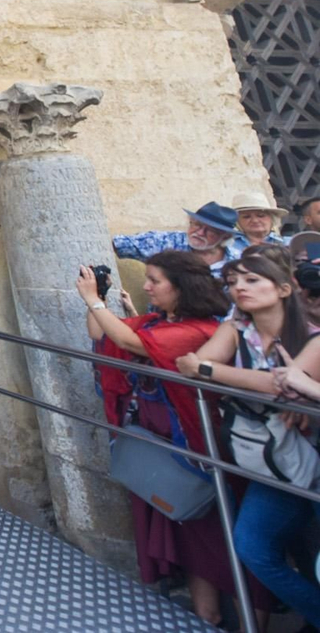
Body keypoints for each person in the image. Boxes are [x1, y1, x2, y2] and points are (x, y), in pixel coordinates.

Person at [83, 251, 245, 625]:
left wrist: (93, 300)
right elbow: (104, 334)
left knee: (215, 539)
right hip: (162, 445)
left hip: (193, 449)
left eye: (155, 280)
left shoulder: (197, 329)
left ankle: (240, 617)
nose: (146, 287)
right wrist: (100, 299)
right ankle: (208, 615)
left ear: (182, 286)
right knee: (189, 537)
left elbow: (130, 341)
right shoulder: (159, 320)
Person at [178, 248, 320, 626]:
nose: (239, 287)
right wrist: (209, 368)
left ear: (285, 288)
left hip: (310, 456)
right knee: (252, 547)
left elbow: (280, 386)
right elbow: (188, 367)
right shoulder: (236, 328)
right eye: (232, 281)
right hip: (270, 457)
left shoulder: (314, 337)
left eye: (251, 279)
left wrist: (210, 370)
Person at [113, 201, 241, 279]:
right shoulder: (166, 242)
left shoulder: (237, 261)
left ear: (225, 236)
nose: (200, 233)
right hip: (168, 321)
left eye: (210, 230)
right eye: (196, 224)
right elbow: (114, 245)